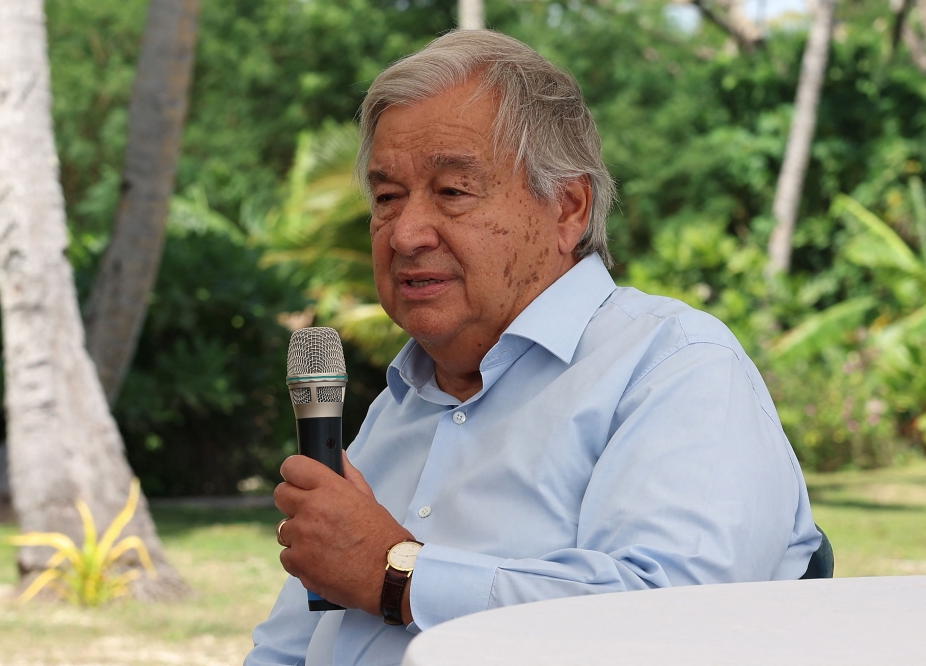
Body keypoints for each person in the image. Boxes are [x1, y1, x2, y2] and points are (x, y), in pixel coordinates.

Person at [246, 29, 820, 666]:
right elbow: (283, 651)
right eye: (387, 197)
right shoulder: (396, 409)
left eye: (452, 192)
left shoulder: (672, 367)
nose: (405, 233)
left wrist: (397, 575)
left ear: (568, 208)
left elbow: (669, 626)